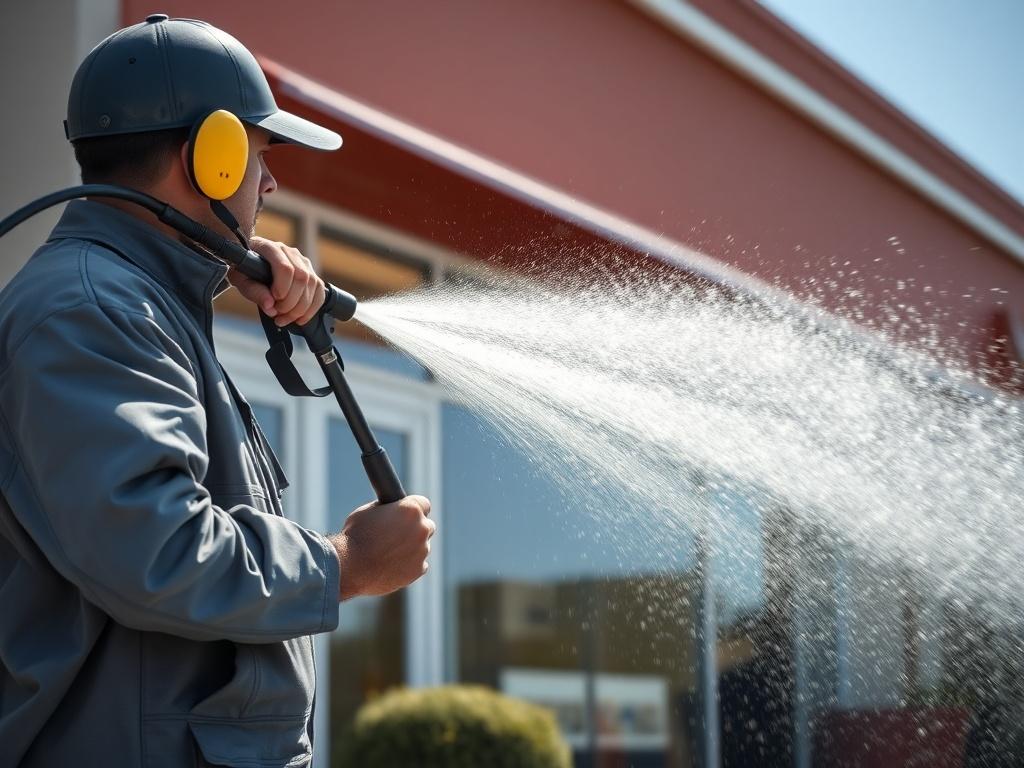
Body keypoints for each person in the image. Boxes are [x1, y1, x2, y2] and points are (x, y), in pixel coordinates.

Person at [0, 15, 434, 768]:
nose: (271, 182)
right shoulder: (95, 311)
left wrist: (210, 265)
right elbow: (156, 550)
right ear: (212, 161)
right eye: (261, 155)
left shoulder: (128, 303)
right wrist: (344, 563)